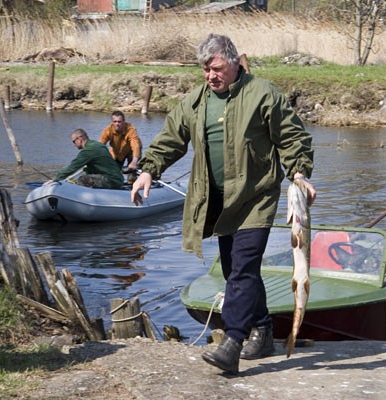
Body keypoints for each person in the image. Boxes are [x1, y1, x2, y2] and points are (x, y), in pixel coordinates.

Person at [130, 33, 316, 374]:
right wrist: (148, 170)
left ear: (233, 62)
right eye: (205, 69)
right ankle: (262, 329)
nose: (210, 76)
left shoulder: (262, 94)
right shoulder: (196, 101)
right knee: (235, 270)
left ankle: (232, 342)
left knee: (242, 267)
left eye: (216, 68)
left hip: (255, 197)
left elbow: (292, 137)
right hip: (219, 202)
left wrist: (300, 173)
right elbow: (171, 138)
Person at [44, 128, 124, 189]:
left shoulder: (88, 150)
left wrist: (56, 179)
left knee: (83, 179)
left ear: (79, 139)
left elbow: (73, 167)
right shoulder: (98, 145)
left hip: (112, 180)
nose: (74, 145)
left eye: (74, 141)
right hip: (118, 179)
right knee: (87, 174)